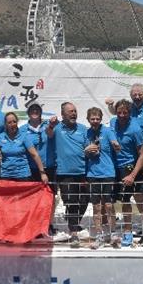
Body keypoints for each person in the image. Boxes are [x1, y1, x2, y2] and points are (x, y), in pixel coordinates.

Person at [107, 83, 143, 243]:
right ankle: (140, 226)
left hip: (142, 157)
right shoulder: (131, 110)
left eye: (139, 94)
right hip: (125, 159)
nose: (137, 96)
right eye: (134, 94)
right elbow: (119, 115)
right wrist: (110, 106)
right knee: (127, 197)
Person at [47, 102, 89, 247]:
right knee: (71, 202)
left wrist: (91, 148)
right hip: (64, 173)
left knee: (84, 201)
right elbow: (49, 133)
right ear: (63, 114)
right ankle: (74, 233)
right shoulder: (57, 128)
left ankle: (73, 221)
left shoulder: (83, 129)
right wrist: (51, 125)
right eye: (70, 111)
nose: (73, 114)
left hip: (83, 171)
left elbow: (88, 145)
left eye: (75, 111)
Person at [108, 99, 143, 248]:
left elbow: (142, 155)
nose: (122, 115)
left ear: (130, 113)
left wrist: (132, 175)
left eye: (125, 112)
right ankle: (112, 232)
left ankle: (128, 231)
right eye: (119, 112)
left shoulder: (135, 129)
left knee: (125, 201)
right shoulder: (112, 122)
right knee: (110, 202)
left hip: (127, 167)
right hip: (111, 167)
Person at [84, 107, 121, 250]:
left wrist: (116, 145)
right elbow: (83, 152)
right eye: (92, 119)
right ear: (88, 120)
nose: (95, 121)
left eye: (97, 119)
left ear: (101, 119)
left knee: (109, 206)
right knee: (96, 207)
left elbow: (116, 145)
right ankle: (99, 236)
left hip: (107, 173)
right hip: (92, 174)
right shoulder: (86, 133)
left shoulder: (107, 131)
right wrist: (86, 150)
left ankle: (112, 234)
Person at [19, 103, 58, 233]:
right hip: (31, 169)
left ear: (41, 112)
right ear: (28, 113)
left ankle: (49, 224)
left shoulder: (48, 126)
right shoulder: (23, 129)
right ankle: (34, 225)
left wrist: (51, 126)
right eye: (32, 110)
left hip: (49, 167)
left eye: (37, 110)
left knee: (50, 198)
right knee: (33, 199)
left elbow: (52, 135)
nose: (34, 111)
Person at [0, 112, 48, 184]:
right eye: (9, 122)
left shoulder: (24, 136)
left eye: (14, 122)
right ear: (5, 124)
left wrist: (42, 173)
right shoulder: (1, 137)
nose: (12, 124)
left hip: (23, 175)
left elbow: (35, 155)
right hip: (6, 175)